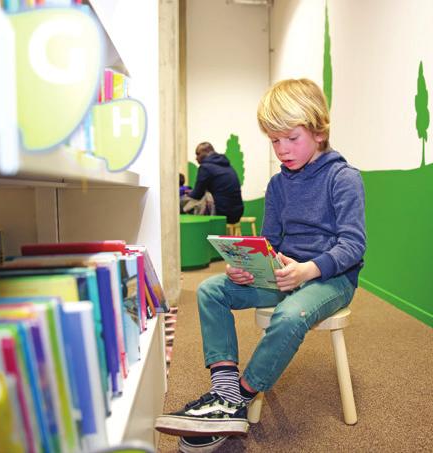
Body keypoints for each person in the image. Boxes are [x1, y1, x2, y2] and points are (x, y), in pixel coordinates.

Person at [154, 78, 366, 452]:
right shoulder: (278, 185)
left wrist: (308, 269)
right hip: (283, 273)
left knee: (290, 315)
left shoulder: (343, 178)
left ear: (319, 131)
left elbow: (352, 245)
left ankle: (238, 398)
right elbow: (269, 242)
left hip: (331, 277)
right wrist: (248, 265)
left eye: (291, 138)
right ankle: (223, 389)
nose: (282, 149)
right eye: (274, 140)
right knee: (210, 289)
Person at [187, 142, 244, 224]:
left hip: (222, 214)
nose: (196, 158)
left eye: (197, 154)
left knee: (184, 203)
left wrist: (187, 194)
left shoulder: (205, 167)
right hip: (237, 213)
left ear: (205, 153)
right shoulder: (228, 166)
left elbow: (197, 195)